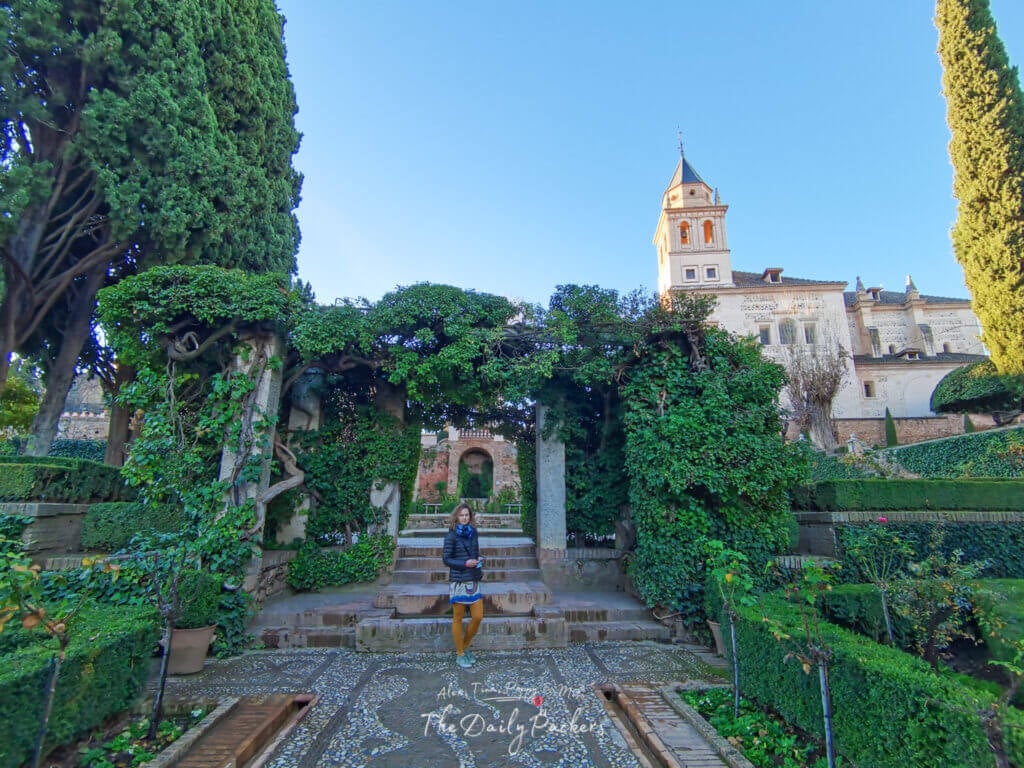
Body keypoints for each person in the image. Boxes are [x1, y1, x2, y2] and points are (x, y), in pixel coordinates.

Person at [442, 502, 484, 668]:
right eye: (462, 515)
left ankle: (464, 647)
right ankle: (460, 653)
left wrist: (478, 559)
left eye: (467, 515)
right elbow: (446, 559)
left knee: (478, 616)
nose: (465, 518)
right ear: (456, 517)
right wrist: (465, 563)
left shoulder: (474, 533)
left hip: (473, 579)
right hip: (459, 579)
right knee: (457, 618)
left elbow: (475, 552)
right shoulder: (451, 535)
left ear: (470, 516)